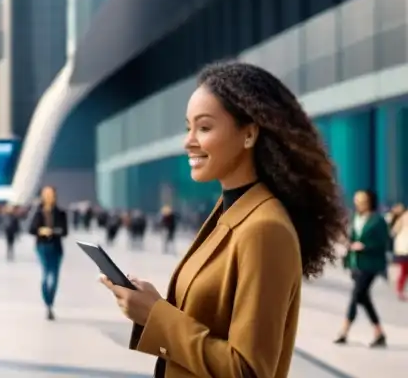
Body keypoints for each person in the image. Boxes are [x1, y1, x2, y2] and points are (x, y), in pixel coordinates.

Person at [102, 61, 346, 378]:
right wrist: (148, 306)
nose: (188, 141)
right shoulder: (229, 210)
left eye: (203, 128)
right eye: (187, 127)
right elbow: (206, 325)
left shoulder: (264, 228)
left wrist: (156, 316)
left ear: (248, 134)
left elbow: (247, 370)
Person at [334, 189, 388, 347]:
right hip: (355, 263)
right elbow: (352, 237)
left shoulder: (378, 221)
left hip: (370, 264)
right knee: (364, 298)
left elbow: (383, 242)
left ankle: (344, 331)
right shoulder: (355, 218)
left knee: (356, 294)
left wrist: (365, 246)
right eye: (357, 200)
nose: (358, 203)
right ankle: (379, 333)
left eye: (362, 200)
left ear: (370, 202)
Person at [29, 185, 68, 320]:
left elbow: (65, 231)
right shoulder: (38, 213)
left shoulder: (61, 213)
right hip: (42, 246)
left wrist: (53, 231)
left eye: (51, 194)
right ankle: (48, 303)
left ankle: (51, 301)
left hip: (56, 247)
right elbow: (31, 229)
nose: (48, 196)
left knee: (55, 275)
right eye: (46, 194)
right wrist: (41, 230)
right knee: (46, 274)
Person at [391, 203, 408, 301]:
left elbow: (393, 232)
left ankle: (399, 290)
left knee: (403, 271)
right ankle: (399, 290)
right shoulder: (402, 218)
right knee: (404, 271)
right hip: (404, 249)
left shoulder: (401, 218)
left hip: (402, 249)